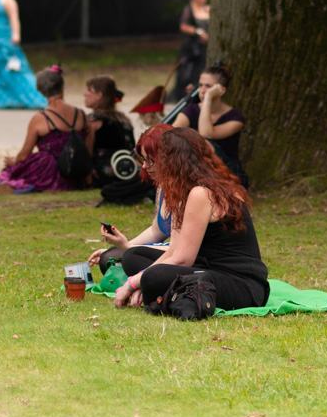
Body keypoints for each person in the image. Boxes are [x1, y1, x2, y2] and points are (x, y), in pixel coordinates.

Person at [108, 124, 269, 312]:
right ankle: (161, 292)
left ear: (173, 162)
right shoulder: (185, 191)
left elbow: (183, 259)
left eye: (153, 160)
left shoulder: (202, 193)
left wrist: (132, 283)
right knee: (133, 258)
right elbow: (174, 251)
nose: (146, 166)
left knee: (153, 277)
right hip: (207, 269)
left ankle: (160, 292)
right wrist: (139, 280)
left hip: (241, 285)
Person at [0, 65, 86, 195]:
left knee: (12, 170)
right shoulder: (81, 114)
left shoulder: (41, 118)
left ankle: (7, 186)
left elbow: (24, 155)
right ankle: (4, 188)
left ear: (41, 90)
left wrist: (13, 161)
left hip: (48, 170)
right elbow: (87, 148)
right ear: (62, 86)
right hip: (75, 170)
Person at [173, 63, 246, 185]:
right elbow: (170, 133)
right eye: (200, 85)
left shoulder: (235, 117)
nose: (202, 90)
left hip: (228, 173)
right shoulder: (191, 110)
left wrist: (207, 99)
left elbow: (206, 133)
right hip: (194, 171)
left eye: (208, 86)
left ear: (221, 90)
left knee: (206, 143)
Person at [84, 75, 135, 184]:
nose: (85, 94)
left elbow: (87, 152)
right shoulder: (124, 120)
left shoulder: (93, 121)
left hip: (102, 175)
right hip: (126, 171)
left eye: (89, 90)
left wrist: (87, 180)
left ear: (99, 95)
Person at [169, 0, 210, 103]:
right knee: (187, 71)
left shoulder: (208, 9)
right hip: (191, 46)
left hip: (203, 46)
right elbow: (183, 26)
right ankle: (184, 95)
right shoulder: (189, 9)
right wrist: (198, 32)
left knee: (202, 69)